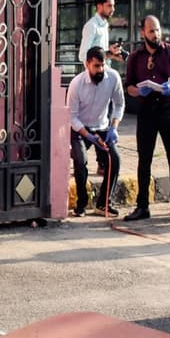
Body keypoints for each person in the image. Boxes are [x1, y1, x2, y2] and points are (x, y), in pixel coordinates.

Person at [123, 15, 170, 222]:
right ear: (143, 33)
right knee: (144, 160)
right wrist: (138, 90)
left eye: (158, 30)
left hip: (168, 109)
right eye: (151, 30)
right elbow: (129, 86)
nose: (156, 34)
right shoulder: (136, 57)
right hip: (146, 111)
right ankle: (142, 206)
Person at [67, 46, 125, 217]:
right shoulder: (76, 84)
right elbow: (72, 117)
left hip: (103, 127)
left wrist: (114, 127)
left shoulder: (113, 77)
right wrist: (89, 136)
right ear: (87, 64)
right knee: (80, 159)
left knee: (114, 158)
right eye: (96, 66)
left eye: (102, 65)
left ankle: (103, 203)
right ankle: (81, 203)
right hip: (81, 128)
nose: (100, 70)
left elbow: (119, 104)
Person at [78, 0, 127, 66]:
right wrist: (108, 53)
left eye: (113, 6)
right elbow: (83, 55)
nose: (113, 9)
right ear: (99, 6)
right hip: (94, 75)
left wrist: (112, 55)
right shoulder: (91, 26)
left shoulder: (104, 25)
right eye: (109, 6)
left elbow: (101, 55)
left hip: (105, 72)